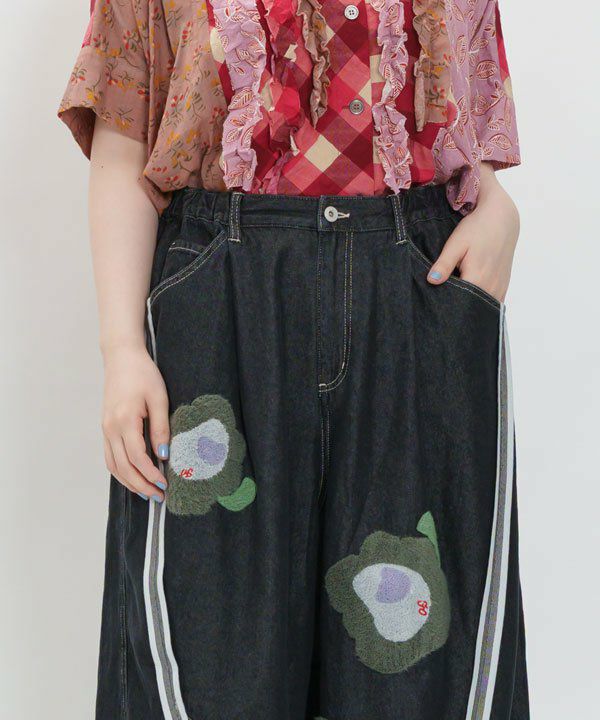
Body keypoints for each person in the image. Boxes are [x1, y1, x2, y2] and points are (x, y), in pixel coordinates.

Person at [58, 1, 529, 718]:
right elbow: (124, 144)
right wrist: (121, 349)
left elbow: (459, 119)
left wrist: (498, 208)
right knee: (206, 661)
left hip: (417, 295)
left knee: (421, 660)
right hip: (220, 305)